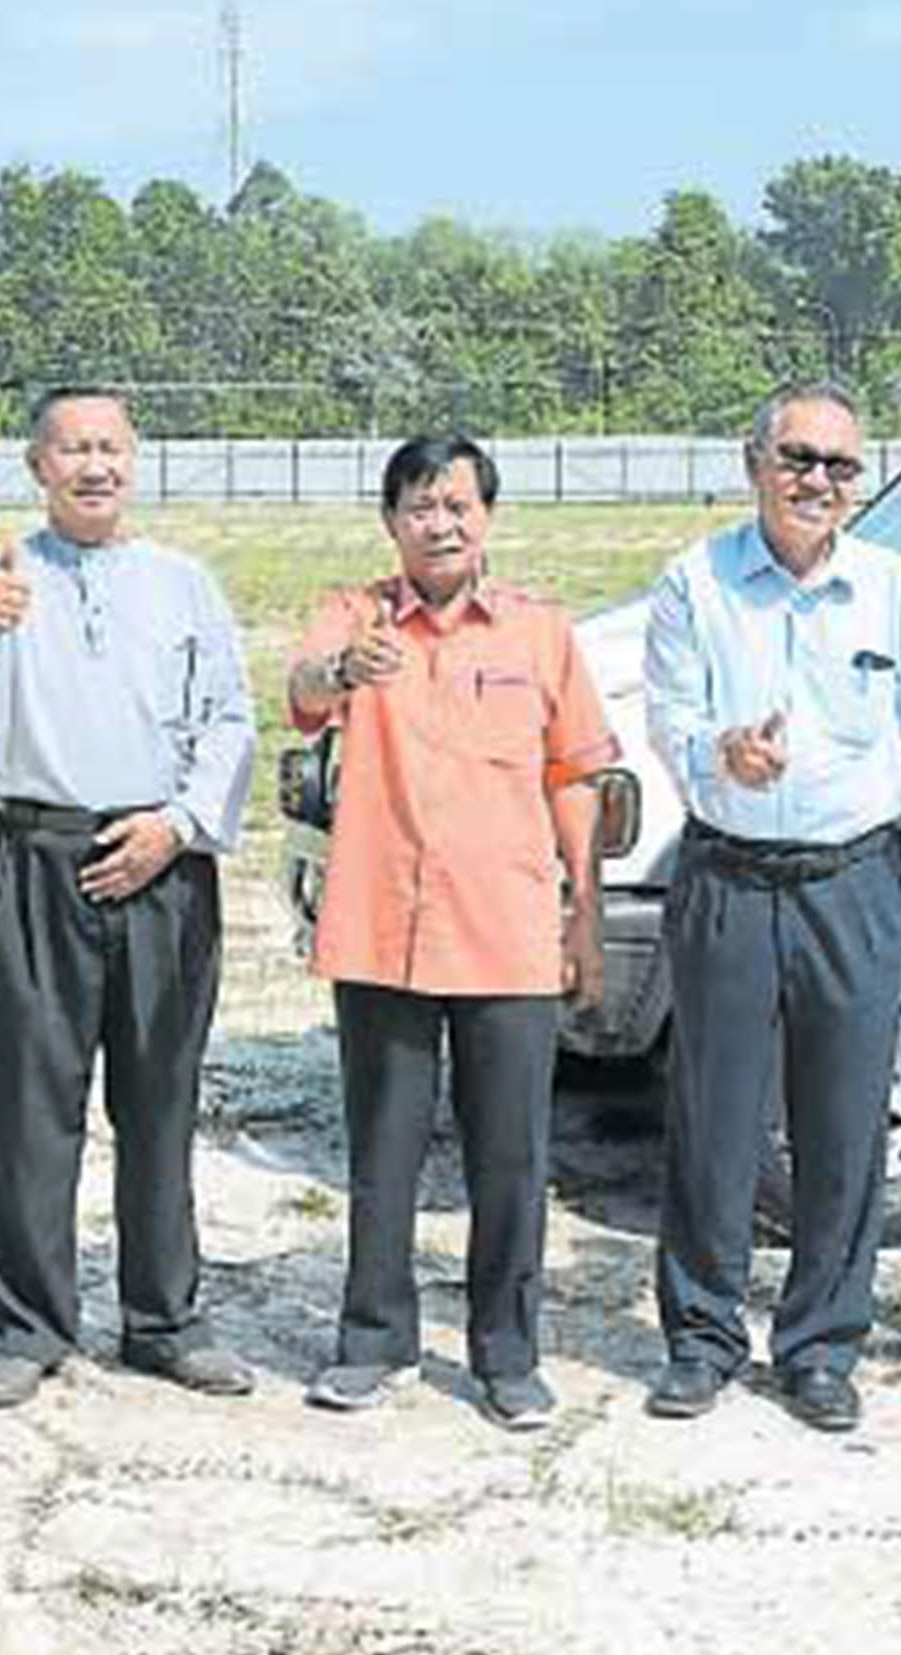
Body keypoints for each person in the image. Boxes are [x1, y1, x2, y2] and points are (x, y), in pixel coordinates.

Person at [0, 384, 257, 1410]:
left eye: (110, 447)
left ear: (134, 458)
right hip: (40, 858)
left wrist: (178, 826)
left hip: (161, 858)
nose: (94, 466)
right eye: (72, 449)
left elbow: (232, 718)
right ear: (38, 465)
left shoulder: (183, 583)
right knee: (31, 1103)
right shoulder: (0, 576)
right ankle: (29, 1323)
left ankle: (165, 1319)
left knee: (160, 1098)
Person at [285, 435, 618, 1431]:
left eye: (459, 505)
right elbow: (302, 692)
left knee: (510, 1157)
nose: (442, 524)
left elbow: (575, 775)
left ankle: (507, 1353)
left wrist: (585, 913)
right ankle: (372, 1339)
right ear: (391, 522)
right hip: (382, 924)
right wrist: (345, 669)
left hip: (506, 930)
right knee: (382, 1150)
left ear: (488, 517)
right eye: (421, 507)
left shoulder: (539, 631)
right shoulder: (354, 616)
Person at [641, 379, 901, 1433]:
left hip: (850, 883)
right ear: (754, 464)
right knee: (712, 1120)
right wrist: (720, 752)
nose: (817, 480)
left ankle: (819, 1346)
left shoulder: (891, 588)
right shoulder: (695, 582)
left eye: (839, 464)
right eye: (798, 458)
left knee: (845, 1122)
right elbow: (671, 718)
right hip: (728, 876)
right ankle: (701, 1337)